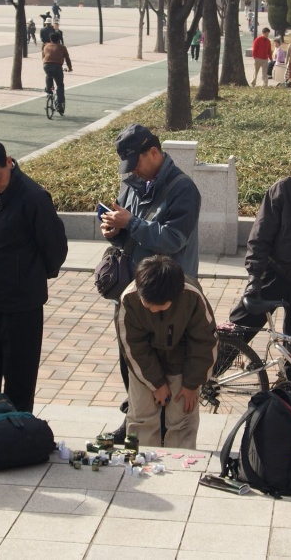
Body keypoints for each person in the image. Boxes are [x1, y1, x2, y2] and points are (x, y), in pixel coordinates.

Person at [101, 123, 201, 438]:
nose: (133, 172)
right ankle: (136, 415)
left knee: (168, 362)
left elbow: (173, 239)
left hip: (168, 292)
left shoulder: (183, 188)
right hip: (133, 291)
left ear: (154, 153)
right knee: (131, 356)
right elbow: (131, 236)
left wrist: (130, 222)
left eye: (137, 163)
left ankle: (165, 426)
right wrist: (115, 232)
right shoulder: (131, 184)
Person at [0, 134, 68, 412]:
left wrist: (28, 276)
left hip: (22, 304)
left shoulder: (33, 197)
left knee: (18, 382)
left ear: (9, 162)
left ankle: (18, 435)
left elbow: (56, 249)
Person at [228, 133, 291, 344]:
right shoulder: (282, 190)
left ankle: (289, 377)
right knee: (238, 329)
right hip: (274, 273)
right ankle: (213, 372)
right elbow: (260, 238)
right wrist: (254, 278)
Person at [117, 255, 217, 448]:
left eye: (160, 305)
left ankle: (181, 463)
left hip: (183, 359)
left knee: (182, 416)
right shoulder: (130, 298)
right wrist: (156, 384)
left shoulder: (191, 296)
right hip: (144, 363)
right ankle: (142, 459)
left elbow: (204, 343)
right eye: (148, 304)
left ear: (176, 294)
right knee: (142, 416)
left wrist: (191, 385)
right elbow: (133, 347)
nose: (153, 310)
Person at [41, 35, 73, 114]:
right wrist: (69, 68)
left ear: (50, 39)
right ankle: (59, 106)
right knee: (60, 85)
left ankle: (49, 91)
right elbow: (67, 58)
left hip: (46, 65)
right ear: (59, 39)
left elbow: (43, 57)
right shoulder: (62, 47)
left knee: (48, 76)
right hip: (57, 66)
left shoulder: (46, 46)